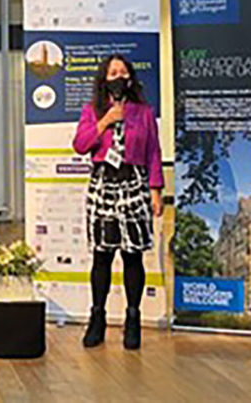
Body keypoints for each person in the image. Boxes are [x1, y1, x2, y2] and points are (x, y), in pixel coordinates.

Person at [73, 54, 163, 350]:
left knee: (132, 255)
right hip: (103, 183)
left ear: (130, 79)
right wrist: (105, 122)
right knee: (102, 255)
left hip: (134, 182)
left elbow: (152, 152)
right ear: (104, 78)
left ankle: (132, 319)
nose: (118, 76)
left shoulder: (144, 112)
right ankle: (96, 318)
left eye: (123, 72)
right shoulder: (92, 110)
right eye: (113, 72)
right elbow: (81, 145)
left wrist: (155, 190)